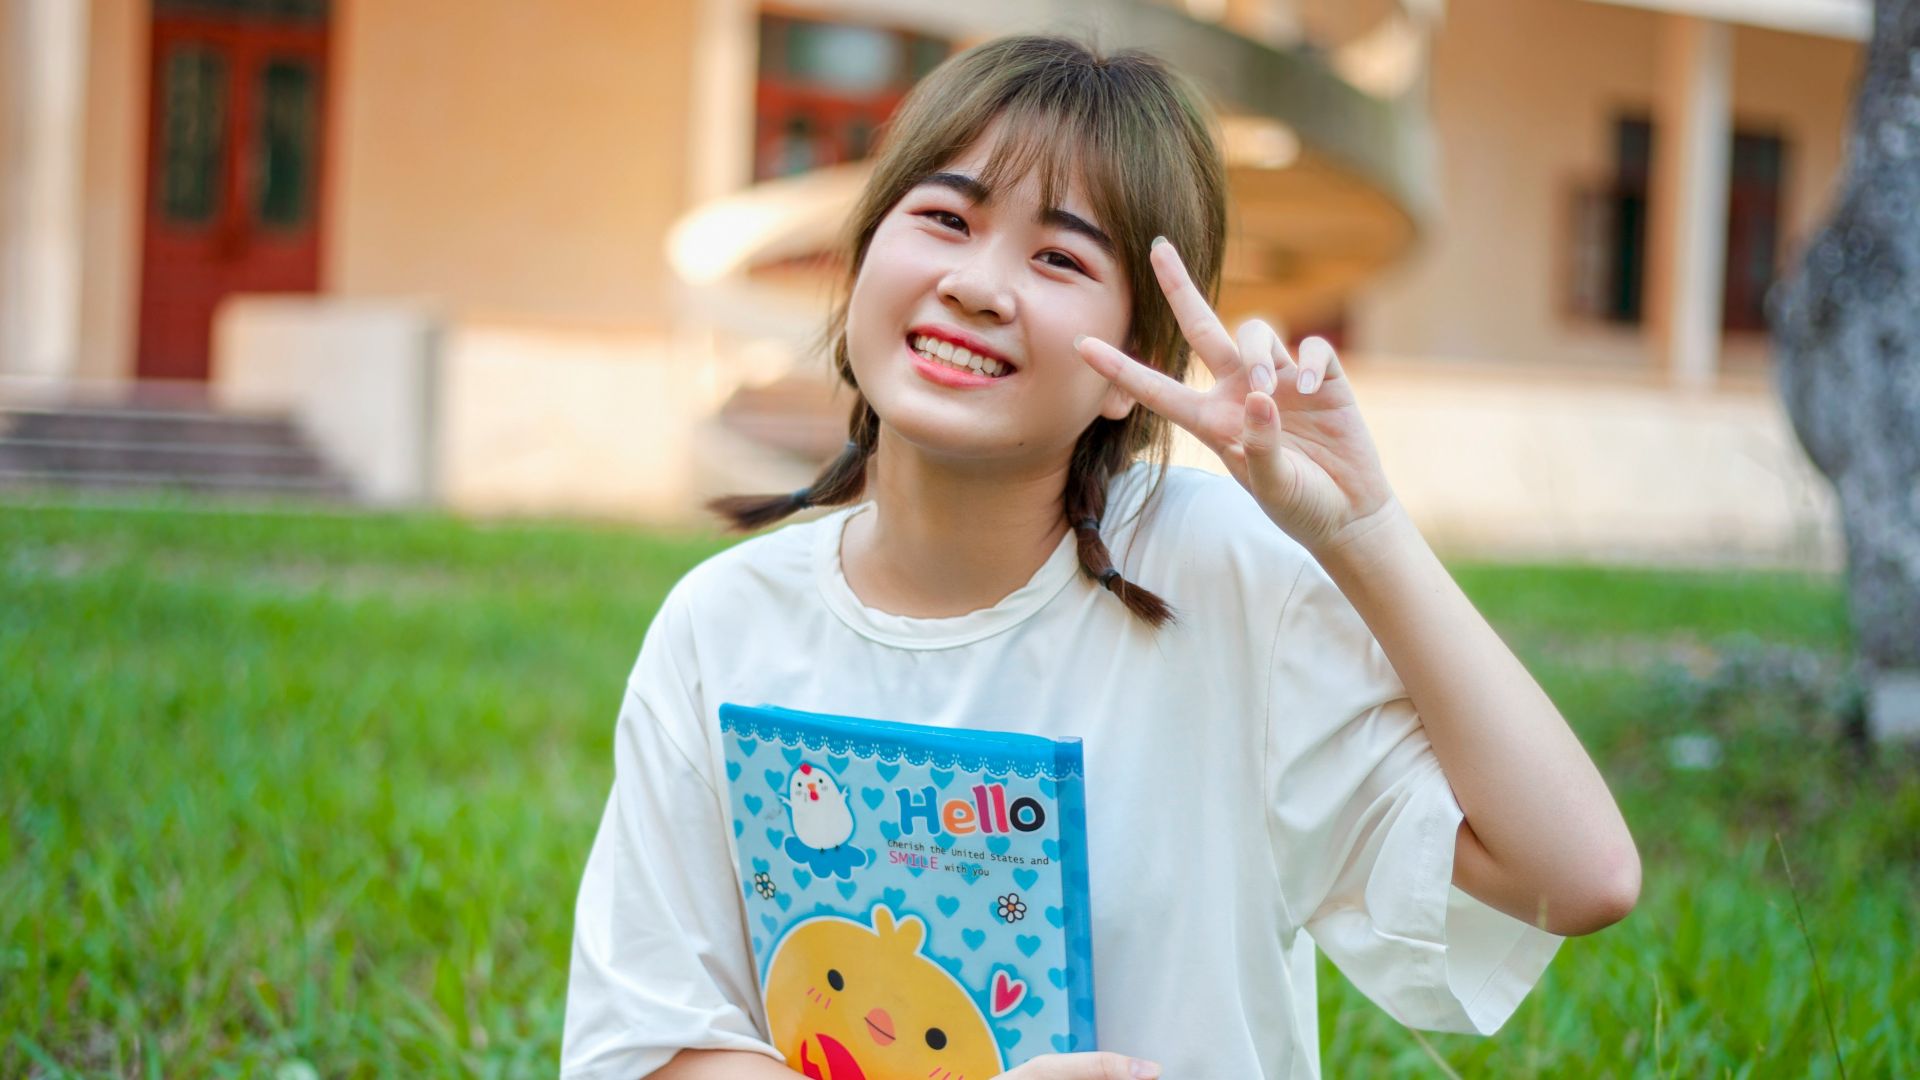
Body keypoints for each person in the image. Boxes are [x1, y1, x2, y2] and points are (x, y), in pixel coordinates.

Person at [561, 34, 1639, 1080]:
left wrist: (1361, 530)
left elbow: (1577, 877)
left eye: (1059, 257)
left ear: (1133, 370)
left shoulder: (1218, 576)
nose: (980, 285)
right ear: (859, 264)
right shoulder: (725, 623)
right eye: (944, 217)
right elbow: (647, 1045)